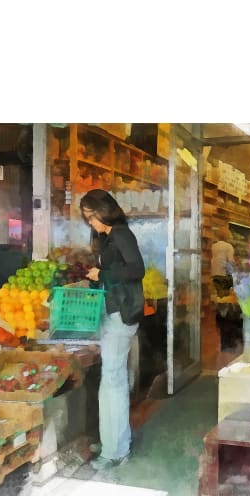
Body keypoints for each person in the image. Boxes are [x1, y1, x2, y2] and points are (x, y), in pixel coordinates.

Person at [80, 189, 145, 472]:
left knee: (113, 381)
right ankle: (112, 441)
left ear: (104, 210)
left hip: (121, 315)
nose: (90, 223)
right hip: (114, 313)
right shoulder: (109, 237)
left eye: (91, 216)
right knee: (111, 379)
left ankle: (115, 449)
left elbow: (137, 269)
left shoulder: (120, 234)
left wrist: (102, 274)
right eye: (86, 218)